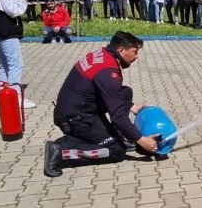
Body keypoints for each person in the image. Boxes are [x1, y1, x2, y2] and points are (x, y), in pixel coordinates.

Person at [43, 32, 161, 177]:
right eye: (135, 52)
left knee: (125, 93)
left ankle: (118, 135)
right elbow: (118, 116)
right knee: (116, 151)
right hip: (75, 118)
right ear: (121, 50)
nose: (137, 57)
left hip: (78, 107)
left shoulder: (104, 54)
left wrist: (132, 106)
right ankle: (60, 150)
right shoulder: (107, 73)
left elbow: (112, 95)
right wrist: (141, 140)